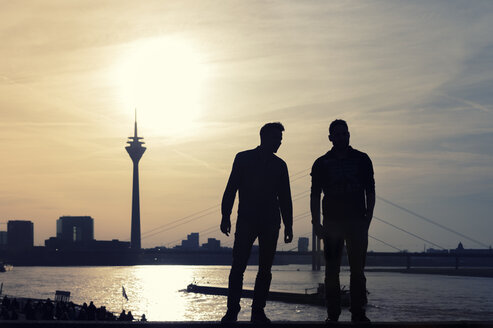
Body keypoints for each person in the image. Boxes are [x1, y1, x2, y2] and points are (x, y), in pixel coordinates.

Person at [220, 122, 293, 323]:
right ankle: (232, 310)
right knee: (238, 266)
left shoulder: (280, 165)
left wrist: (289, 225)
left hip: (270, 221)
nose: (279, 142)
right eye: (276, 138)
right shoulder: (243, 158)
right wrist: (225, 215)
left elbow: (285, 197)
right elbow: (231, 188)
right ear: (264, 138)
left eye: (280, 139)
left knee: (265, 269)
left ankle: (258, 311)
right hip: (247, 219)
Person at [310, 119, 375, 323]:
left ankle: (358, 313)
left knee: (358, 271)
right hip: (332, 224)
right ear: (330, 137)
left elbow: (370, 191)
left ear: (349, 135)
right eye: (337, 134)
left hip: (357, 221)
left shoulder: (363, 159)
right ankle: (333, 315)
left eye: (344, 134)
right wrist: (316, 223)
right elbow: (314, 195)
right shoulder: (321, 163)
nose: (341, 137)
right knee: (331, 271)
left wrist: (368, 218)